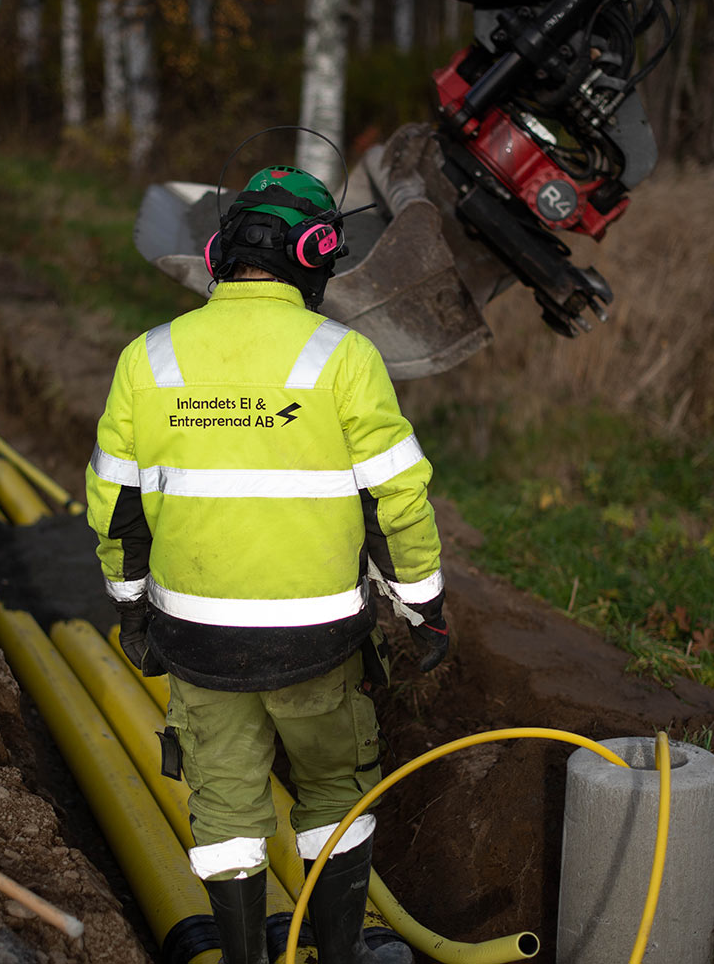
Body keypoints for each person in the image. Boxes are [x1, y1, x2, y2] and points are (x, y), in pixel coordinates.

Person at [85, 159, 448, 964]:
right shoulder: (344, 359)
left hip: (198, 640)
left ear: (218, 254)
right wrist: (421, 604)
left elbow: (116, 507)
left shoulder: (147, 359)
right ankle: (340, 950)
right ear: (318, 255)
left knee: (223, 806)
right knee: (332, 791)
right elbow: (399, 501)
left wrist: (131, 605)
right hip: (317, 641)